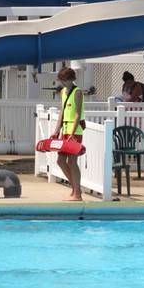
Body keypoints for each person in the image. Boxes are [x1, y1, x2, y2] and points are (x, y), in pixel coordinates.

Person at [53, 65, 84, 201]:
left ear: (72, 79)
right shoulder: (63, 92)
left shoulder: (78, 92)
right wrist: (56, 130)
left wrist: (72, 132)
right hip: (65, 130)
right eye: (62, 80)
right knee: (60, 160)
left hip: (74, 131)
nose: (63, 83)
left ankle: (77, 194)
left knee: (72, 161)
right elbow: (62, 112)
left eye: (65, 80)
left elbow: (77, 114)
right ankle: (75, 188)